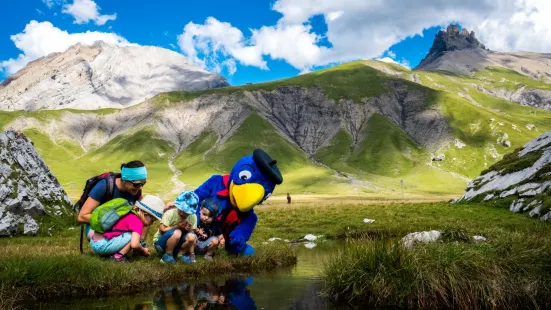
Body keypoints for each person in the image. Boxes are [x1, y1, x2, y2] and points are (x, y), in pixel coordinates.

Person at [77, 161, 149, 247]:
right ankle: (117, 253)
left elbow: (142, 212)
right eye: (136, 184)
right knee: (129, 234)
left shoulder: (136, 189)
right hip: (96, 229)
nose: (140, 188)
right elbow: (82, 216)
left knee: (146, 215)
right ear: (125, 180)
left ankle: (140, 243)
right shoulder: (104, 186)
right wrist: (115, 221)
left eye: (143, 184)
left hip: (121, 227)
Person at [89, 195, 164, 262]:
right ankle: (118, 257)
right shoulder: (137, 222)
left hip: (93, 242)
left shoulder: (128, 213)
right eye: (152, 220)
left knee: (130, 235)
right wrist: (143, 250)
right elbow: (134, 245)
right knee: (132, 237)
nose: (152, 223)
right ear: (145, 214)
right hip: (102, 246)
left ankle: (111, 254)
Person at [153, 191, 199, 264]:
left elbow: (193, 233)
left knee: (192, 236)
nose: (181, 213)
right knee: (178, 232)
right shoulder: (170, 213)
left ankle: (181, 254)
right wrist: (177, 226)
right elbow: (162, 230)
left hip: (177, 245)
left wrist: (188, 229)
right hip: (161, 245)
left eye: (185, 211)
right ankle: (167, 255)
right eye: (180, 209)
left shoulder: (193, 217)